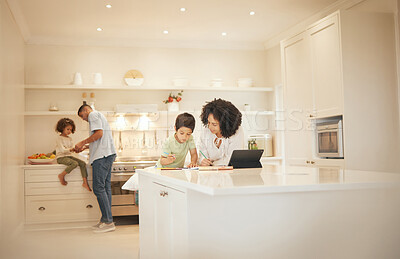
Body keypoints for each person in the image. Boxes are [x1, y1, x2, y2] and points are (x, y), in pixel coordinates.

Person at [75, 104, 116, 233]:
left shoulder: (93, 114)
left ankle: (108, 221)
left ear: (86, 110)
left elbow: (99, 134)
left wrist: (82, 142)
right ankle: (106, 220)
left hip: (101, 157)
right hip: (107, 154)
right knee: (105, 188)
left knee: (98, 188)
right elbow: (100, 139)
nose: (84, 119)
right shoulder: (100, 116)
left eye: (82, 116)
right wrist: (86, 147)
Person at [198, 98, 244, 166]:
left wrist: (213, 163)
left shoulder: (237, 131)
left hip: (230, 174)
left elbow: (232, 160)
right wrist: (202, 161)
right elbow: (202, 155)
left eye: (214, 124)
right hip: (209, 174)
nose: (210, 127)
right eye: (208, 122)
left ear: (225, 124)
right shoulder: (206, 131)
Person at [55, 118, 91, 191]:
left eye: (71, 130)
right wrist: (71, 149)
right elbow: (62, 150)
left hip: (68, 156)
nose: (69, 131)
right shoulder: (59, 138)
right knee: (74, 163)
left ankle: (85, 183)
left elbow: (70, 150)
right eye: (68, 129)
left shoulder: (69, 138)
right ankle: (62, 175)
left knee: (82, 163)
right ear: (62, 128)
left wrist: (77, 150)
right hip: (61, 157)